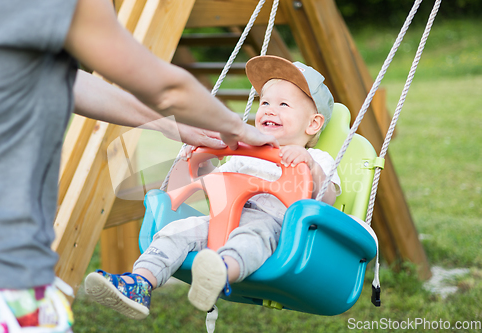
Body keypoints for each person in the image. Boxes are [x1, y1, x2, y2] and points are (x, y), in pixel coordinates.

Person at [0, 0, 278, 331]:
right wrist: (236, 126)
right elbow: (166, 89)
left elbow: (65, 79)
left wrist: (168, 124)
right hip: (1, 272)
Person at [84, 55, 342, 320]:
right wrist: (201, 160)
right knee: (175, 231)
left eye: (283, 104)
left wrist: (310, 166)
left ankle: (219, 273)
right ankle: (140, 282)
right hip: (221, 223)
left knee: (251, 237)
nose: (269, 110)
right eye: (264, 102)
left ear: (313, 123)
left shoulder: (317, 160)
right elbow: (215, 185)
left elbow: (327, 200)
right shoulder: (246, 155)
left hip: (275, 230)